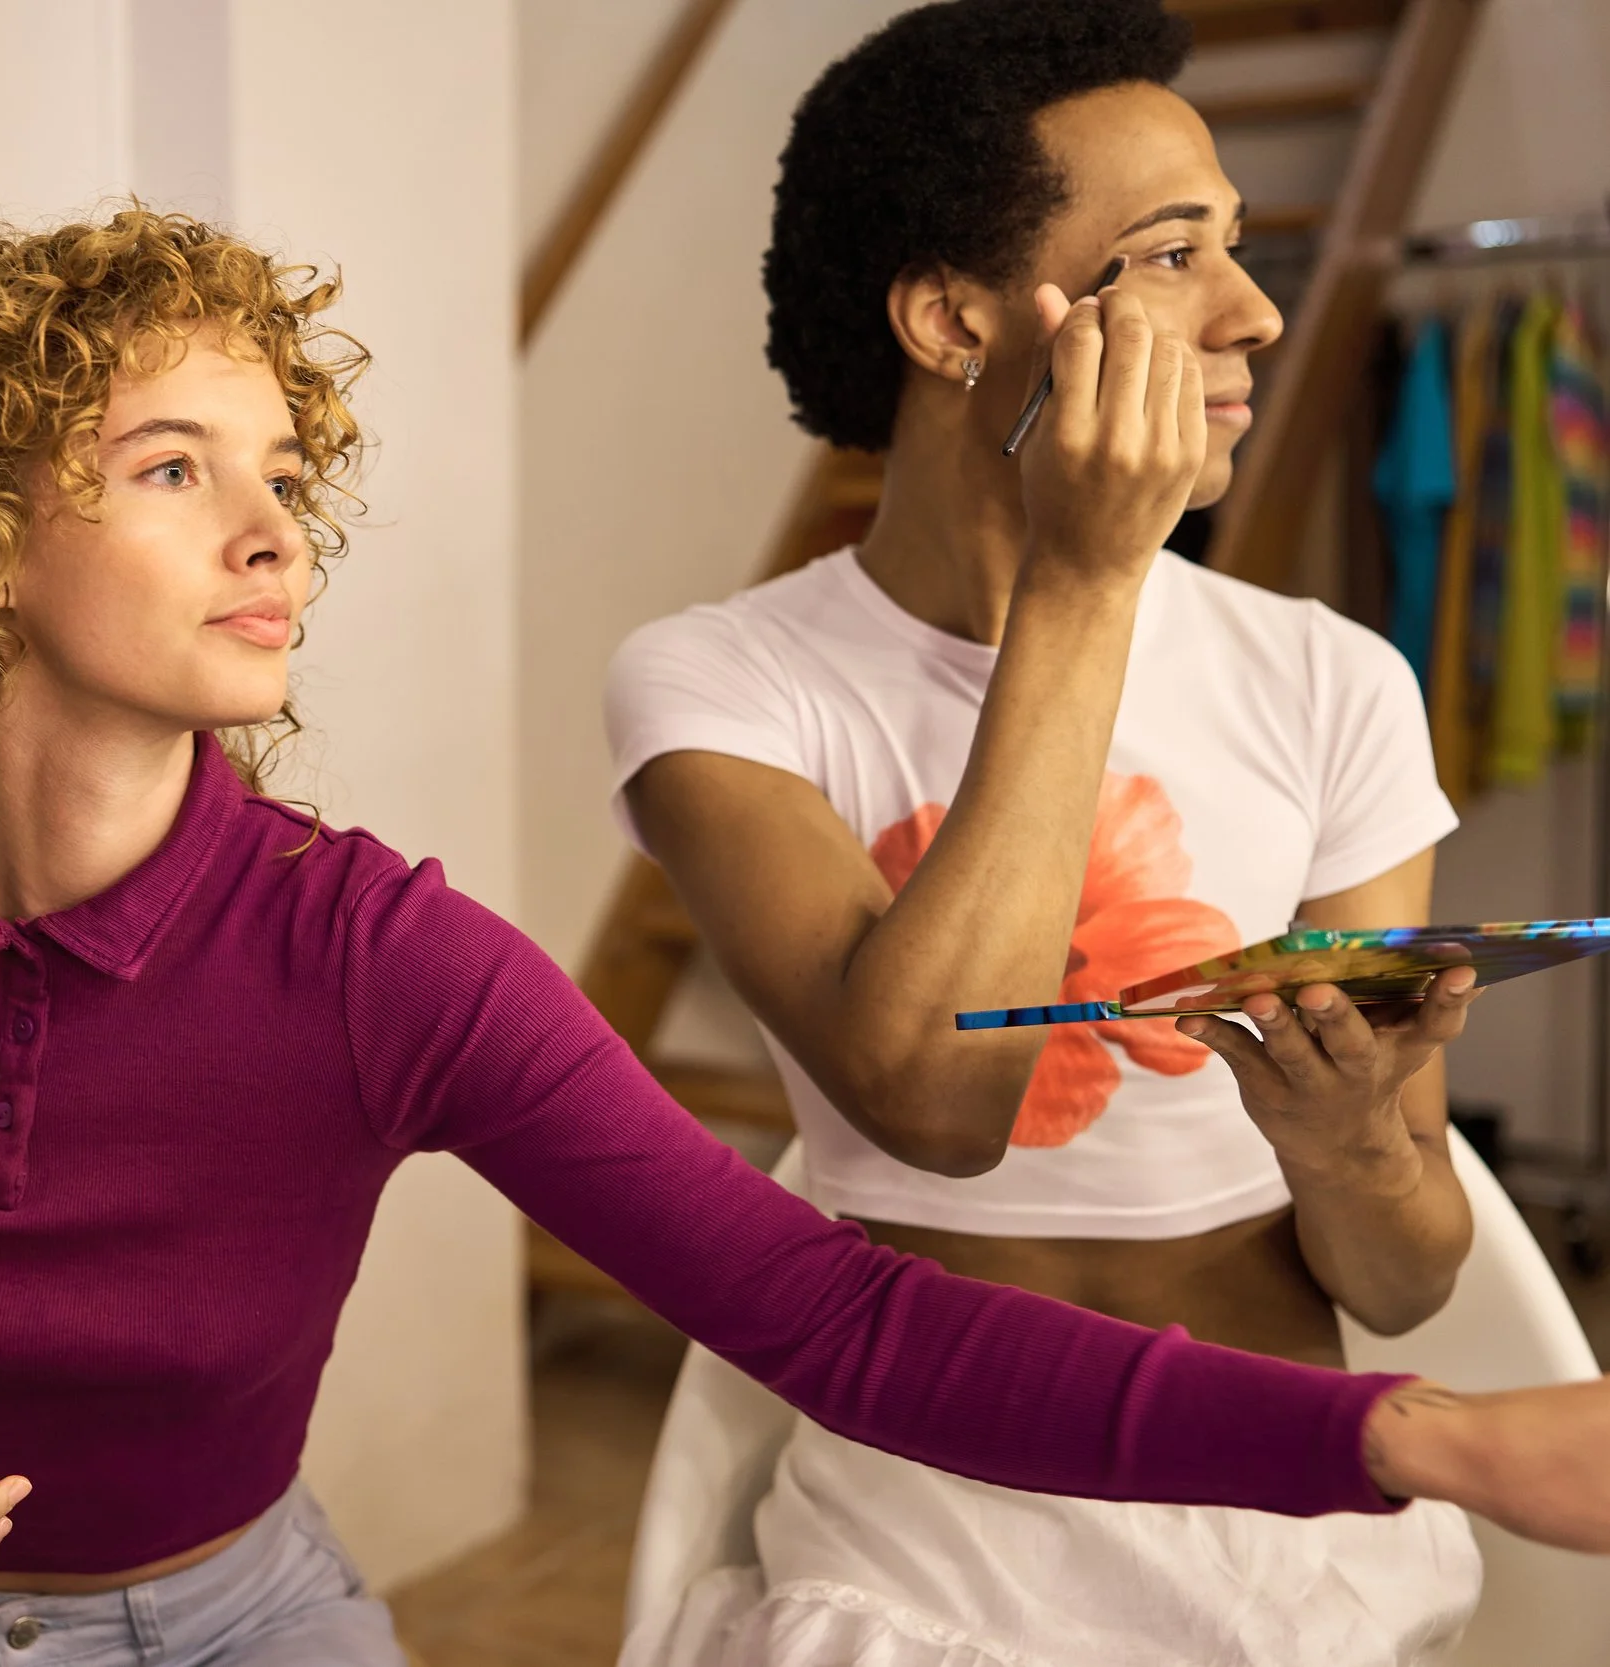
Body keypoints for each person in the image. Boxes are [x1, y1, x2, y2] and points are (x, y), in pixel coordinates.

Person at [0, 208, 1610, 1667]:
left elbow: (842, 1320)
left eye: (285, 477)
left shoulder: (375, 956)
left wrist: (1410, 1430)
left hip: (237, 1630)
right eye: (171, 469)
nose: (273, 533)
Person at [605, 2, 1523, 1662]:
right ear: (956, 320)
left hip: (1285, 1512)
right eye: (1174, 258)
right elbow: (939, 1104)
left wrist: (1344, 1145)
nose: (1253, 309)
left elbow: (1402, 1282)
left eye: (1236, 246)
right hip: (922, 1535)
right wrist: (1091, 577)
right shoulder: (721, 684)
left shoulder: (1332, 680)